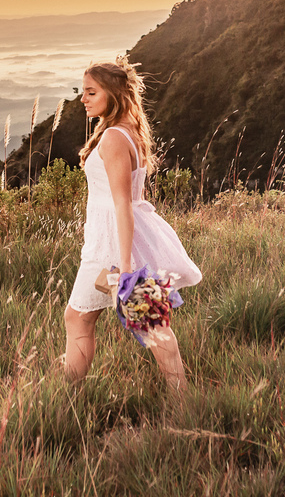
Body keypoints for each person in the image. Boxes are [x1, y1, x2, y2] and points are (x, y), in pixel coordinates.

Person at [63, 56, 202, 390]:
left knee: (147, 324)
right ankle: (181, 395)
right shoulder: (127, 131)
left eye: (91, 92)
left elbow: (122, 204)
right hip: (117, 239)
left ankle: (68, 395)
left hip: (112, 244)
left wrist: (126, 269)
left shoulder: (113, 137)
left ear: (113, 94)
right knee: (101, 319)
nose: (83, 98)